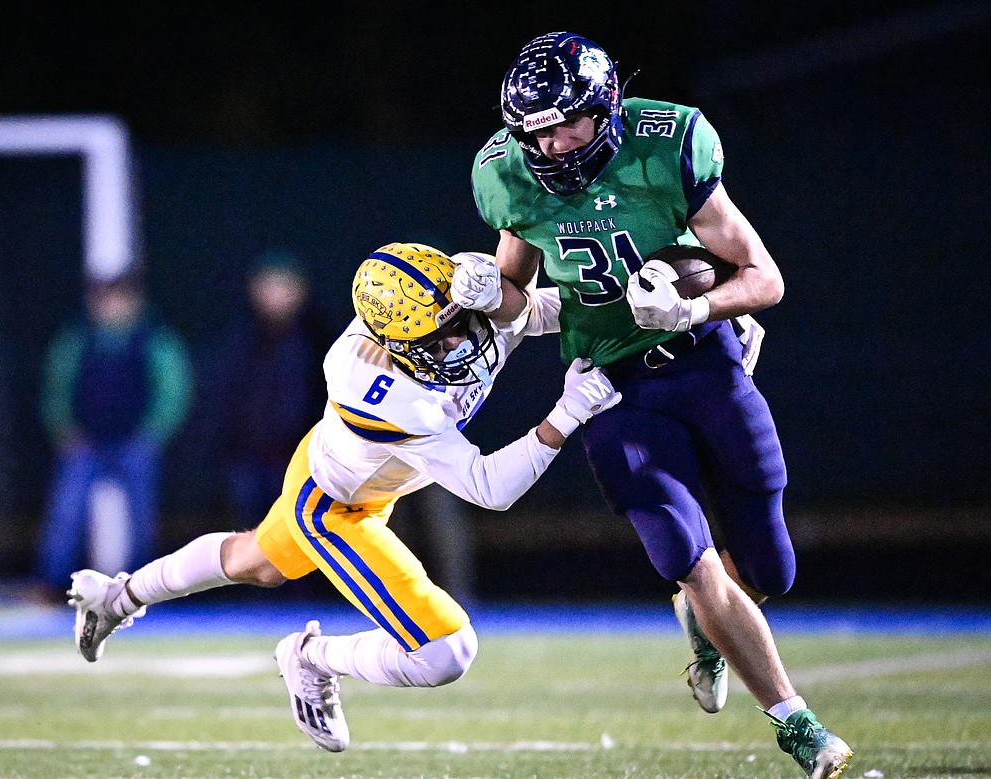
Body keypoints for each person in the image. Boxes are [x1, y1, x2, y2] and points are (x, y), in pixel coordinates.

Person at [460, 31, 852, 779]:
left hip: (704, 364)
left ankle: (705, 627)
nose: (549, 142)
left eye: (564, 122)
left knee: (771, 568)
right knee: (688, 555)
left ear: (605, 107)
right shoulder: (507, 176)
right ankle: (796, 723)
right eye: (534, 129)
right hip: (610, 385)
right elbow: (513, 295)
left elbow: (763, 278)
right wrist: (490, 294)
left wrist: (695, 312)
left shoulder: (668, 142)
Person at [66, 242, 621, 752]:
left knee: (254, 561)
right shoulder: (386, 393)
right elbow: (489, 487)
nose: (459, 341)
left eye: (458, 320)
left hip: (360, 473)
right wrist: (566, 414)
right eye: (439, 337)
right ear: (397, 346)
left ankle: (115, 599)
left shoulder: (441, 308)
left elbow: (530, 315)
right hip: (333, 505)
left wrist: (603, 304)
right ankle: (311, 657)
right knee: (445, 652)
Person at [34, 269, 193, 601]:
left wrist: (152, 433)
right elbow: (56, 386)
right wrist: (63, 428)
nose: (110, 306)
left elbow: (173, 388)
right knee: (66, 515)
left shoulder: (153, 338)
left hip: (133, 444)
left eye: (118, 298)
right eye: (103, 298)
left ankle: (144, 590)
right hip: (86, 444)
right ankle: (51, 586)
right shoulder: (77, 339)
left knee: (142, 520)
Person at [215, 249, 334, 530]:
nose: (275, 295)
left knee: (303, 532)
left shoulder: (319, 338)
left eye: (283, 286)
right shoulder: (240, 337)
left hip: (302, 457)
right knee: (250, 536)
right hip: (248, 457)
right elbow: (226, 394)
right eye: (267, 286)